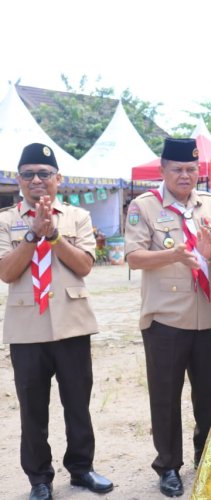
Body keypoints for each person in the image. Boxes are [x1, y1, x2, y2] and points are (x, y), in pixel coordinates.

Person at [0, 143, 114, 500]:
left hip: (72, 323)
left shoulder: (76, 216)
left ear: (58, 179)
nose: (37, 180)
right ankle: (39, 479)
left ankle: (81, 469)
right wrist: (32, 234)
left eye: (45, 173)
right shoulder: (4, 220)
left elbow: (83, 266)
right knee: (33, 408)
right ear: (18, 180)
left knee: (77, 402)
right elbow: (6, 272)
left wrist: (52, 235)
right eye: (29, 173)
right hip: (26, 327)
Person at [124, 137, 211, 497]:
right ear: (163, 170)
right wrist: (175, 255)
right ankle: (168, 466)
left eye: (191, 169)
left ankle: (208, 456)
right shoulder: (144, 206)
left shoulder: (210, 205)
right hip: (166, 318)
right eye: (178, 169)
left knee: (209, 394)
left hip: (205, 313)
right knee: (166, 396)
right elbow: (134, 256)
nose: (185, 176)